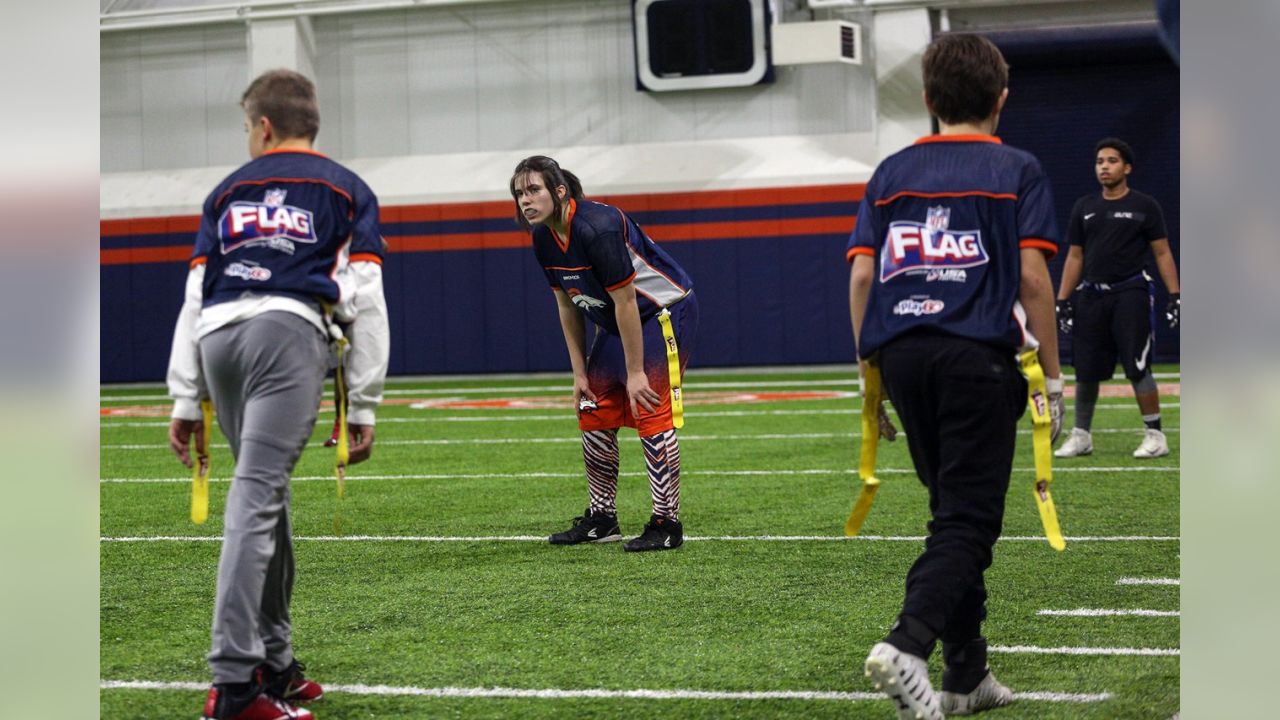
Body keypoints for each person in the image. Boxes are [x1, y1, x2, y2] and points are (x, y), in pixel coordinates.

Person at [846, 34, 1064, 719]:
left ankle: (967, 674)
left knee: (951, 515)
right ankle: (907, 644)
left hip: (905, 358)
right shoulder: (1018, 169)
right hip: (977, 357)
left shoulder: (889, 172)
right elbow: (1032, 278)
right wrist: (1053, 382)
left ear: (930, 100)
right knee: (969, 520)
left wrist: (868, 382)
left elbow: (860, 276)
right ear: (1001, 98)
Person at [167, 69, 390, 720]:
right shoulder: (347, 189)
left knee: (266, 496)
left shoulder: (225, 191)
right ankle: (236, 685)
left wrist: (186, 396)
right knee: (257, 497)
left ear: (263, 126)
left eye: (246, 127)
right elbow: (367, 299)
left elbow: (194, 295)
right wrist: (365, 399)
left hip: (218, 341)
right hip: (286, 334)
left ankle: (276, 659)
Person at [510, 155, 698, 552]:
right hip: (618, 319)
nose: (525, 200)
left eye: (533, 190)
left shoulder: (598, 227)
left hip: (659, 313)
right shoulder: (542, 236)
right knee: (593, 408)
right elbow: (568, 305)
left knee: (649, 406)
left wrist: (635, 372)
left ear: (559, 191)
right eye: (519, 193)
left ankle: (667, 524)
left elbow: (628, 301)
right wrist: (579, 373)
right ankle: (602, 518)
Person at [1054, 137, 1180, 459]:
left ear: (1127, 167)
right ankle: (1082, 435)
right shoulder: (1084, 207)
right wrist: (1062, 299)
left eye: (1111, 161)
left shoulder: (1145, 206)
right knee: (1085, 369)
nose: (1104, 167)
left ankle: (1155, 435)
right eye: (1099, 161)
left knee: (1138, 365)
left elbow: (1163, 252)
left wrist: (1175, 295)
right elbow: (1074, 257)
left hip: (1130, 293)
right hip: (1092, 297)